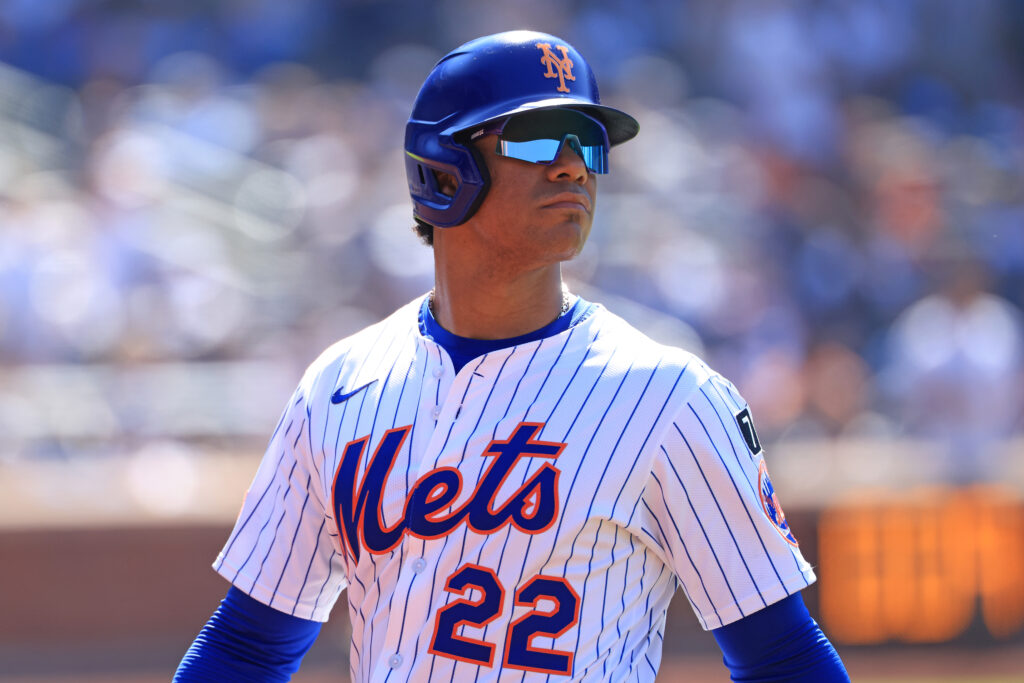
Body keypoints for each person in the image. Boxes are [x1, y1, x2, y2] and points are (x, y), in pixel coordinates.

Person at [175, 30, 849, 682]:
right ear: (443, 169)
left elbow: (782, 658)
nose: (571, 163)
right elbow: (246, 646)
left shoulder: (670, 397)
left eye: (587, 141)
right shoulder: (339, 386)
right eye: (533, 136)